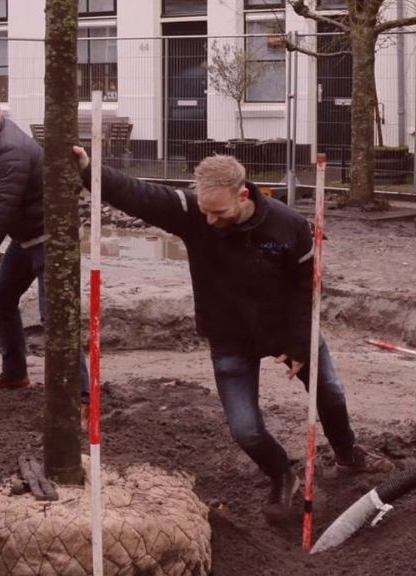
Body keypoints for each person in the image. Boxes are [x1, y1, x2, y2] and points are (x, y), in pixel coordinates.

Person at [72, 146, 392, 515]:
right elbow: (141, 195)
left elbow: (307, 289)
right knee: (246, 431)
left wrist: (300, 344)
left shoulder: (288, 226)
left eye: (219, 212)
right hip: (230, 337)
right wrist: (88, 169)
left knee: (330, 391)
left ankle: (346, 453)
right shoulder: (194, 215)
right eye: (204, 210)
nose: (209, 220)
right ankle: (281, 474)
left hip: (286, 326)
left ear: (243, 195)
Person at [0, 88, 89, 403]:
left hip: (53, 240)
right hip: (28, 237)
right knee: (3, 298)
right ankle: (15, 374)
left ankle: (82, 398)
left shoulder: (11, 149)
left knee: (56, 318)